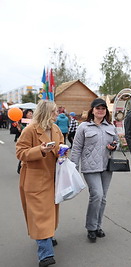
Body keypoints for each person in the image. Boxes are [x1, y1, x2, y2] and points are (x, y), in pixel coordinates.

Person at [15, 100, 63, 267]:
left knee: (49, 212)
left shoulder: (56, 129)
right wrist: (40, 150)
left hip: (52, 177)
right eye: (54, 111)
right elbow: (20, 152)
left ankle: (47, 237)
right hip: (35, 178)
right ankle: (46, 255)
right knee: (40, 216)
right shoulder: (30, 130)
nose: (57, 114)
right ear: (46, 113)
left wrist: (62, 151)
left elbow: (59, 147)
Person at [71, 98, 118, 243]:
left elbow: (119, 144)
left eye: (103, 108)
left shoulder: (111, 127)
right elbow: (76, 148)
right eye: (98, 108)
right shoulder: (84, 127)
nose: (101, 110)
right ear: (92, 110)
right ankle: (91, 227)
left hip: (106, 167)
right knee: (96, 195)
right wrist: (73, 168)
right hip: (90, 167)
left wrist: (114, 146)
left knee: (103, 197)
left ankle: (98, 226)